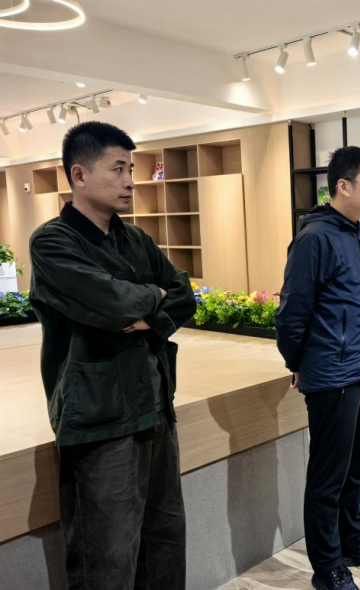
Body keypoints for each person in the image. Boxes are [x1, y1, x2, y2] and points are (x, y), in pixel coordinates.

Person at [29, 122, 196, 589]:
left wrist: (146, 314)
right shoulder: (53, 242)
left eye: (131, 170)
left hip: (155, 406)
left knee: (165, 540)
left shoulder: (136, 239)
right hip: (99, 417)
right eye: (118, 169)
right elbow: (114, 304)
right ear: (79, 175)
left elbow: (184, 296)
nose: (129, 181)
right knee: (106, 557)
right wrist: (150, 297)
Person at [276, 146, 360, 590]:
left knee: (356, 468)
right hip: (333, 373)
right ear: (343, 186)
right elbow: (292, 312)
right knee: (328, 477)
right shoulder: (315, 238)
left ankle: (353, 541)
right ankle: (327, 566)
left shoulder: (355, 234)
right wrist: (297, 361)